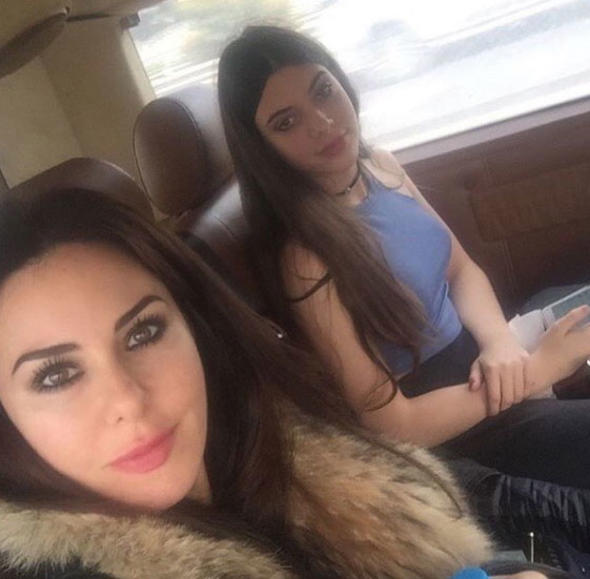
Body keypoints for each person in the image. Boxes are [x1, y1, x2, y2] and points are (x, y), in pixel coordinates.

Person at [0, 187, 558, 579]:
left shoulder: (276, 437)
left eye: (144, 332)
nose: (127, 398)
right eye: (55, 375)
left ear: (195, 327)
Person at [217, 24, 590, 561]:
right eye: (286, 122)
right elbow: (391, 424)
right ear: (263, 148)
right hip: (458, 427)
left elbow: (462, 271)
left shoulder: (380, 166)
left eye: (323, 90)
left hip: (491, 361)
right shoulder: (305, 258)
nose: (322, 122)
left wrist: (501, 346)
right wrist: (537, 371)